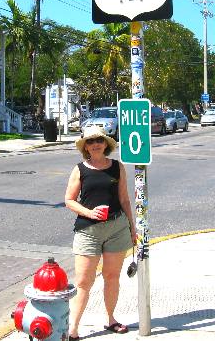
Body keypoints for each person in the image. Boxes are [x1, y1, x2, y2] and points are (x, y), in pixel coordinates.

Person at [65, 125, 136, 340]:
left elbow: (124, 199)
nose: (95, 144)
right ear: (85, 147)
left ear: (106, 143)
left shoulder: (117, 167)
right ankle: (73, 329)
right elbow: (68, 200)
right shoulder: (80, 169)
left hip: (117, 227)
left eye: (99, 140)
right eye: (90, 141)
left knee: (112, 277)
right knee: (84, 282)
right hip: (88, 231)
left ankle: (110, 319)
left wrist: (132, 228)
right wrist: (89, 212)